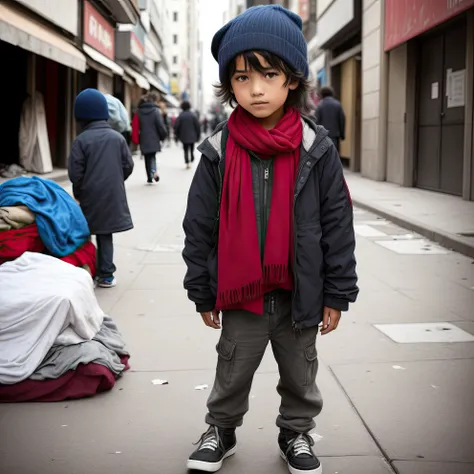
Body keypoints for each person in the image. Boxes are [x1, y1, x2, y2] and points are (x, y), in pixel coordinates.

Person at [182, 5, 358, 474]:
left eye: (268, 73)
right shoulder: (218, 150)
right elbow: (198, 226)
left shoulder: (315, 149)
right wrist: (201, 286)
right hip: (241, 292)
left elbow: (338, 224)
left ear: (293, 79)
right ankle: (221, 428)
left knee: (301, 370)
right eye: (241, 78)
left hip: (300, 288)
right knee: (232, 365)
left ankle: (296, 432)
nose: (255, 88)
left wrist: (338, 291)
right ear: (229, 86)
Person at [68, 88, 134, 288]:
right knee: (105, 235)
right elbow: (128, 165)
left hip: (88, 195)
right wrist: (116, 179)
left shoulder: (81, 141)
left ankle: (86, 268)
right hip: (112, 195)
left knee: (84, 232)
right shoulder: (118, 138)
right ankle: (106, 275)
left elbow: (75, 172)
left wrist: (78, 192)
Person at [137, 92, 168, 183]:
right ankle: (154, 172)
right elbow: (160, 126)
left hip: (143, 137)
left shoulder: (139, 111)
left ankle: (149, 177)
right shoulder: (155, 111)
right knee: (152, 156)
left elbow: (136, 125)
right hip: (154, 137)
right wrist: (163, 135)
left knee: (146, 157)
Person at [314, 86, 345, 153]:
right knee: (334, 155)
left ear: (322, 94)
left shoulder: (320, 105)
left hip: (323, 137)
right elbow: (342, 120)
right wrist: (342, 134)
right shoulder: (337, 104)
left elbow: (316, 121)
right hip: (335, 136)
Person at [174, 101, 201, 169]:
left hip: (183, 136)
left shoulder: (180, 116)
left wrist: (177, 135)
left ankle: (187, 162)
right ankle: (191, 156)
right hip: (192, 136)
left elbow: (176, 126)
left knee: (185, 149)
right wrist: (198, 135)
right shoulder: (193, 115)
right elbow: (197, 126)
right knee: (191, 148)